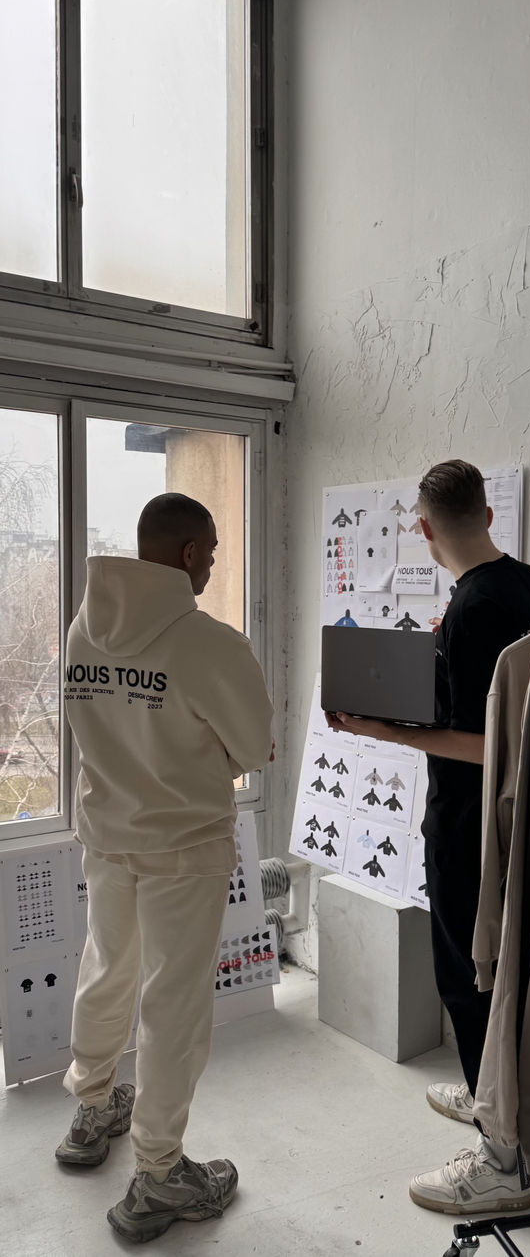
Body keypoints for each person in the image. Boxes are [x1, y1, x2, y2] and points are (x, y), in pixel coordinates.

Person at [327, 459, 530, 1215]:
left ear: (423, 529)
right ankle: (493, 1094)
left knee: (467, 970)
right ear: (488, 515)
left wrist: (384, 728)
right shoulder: (527, 585)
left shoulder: (472, 609)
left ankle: (500, 1162)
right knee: (498, 969)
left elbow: (491, 741)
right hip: (524, 817)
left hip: (472, 820)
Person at [56, 493, 274, 1244]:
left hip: (108, 835)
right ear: (186, 554)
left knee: (108, 967)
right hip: (183, 845)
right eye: (210, 551)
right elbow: (251, 748)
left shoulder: (85, 629)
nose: (213, 564)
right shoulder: (207, 644)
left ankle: (92, 1108)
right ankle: (157, 1173)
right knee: (173, 1005)